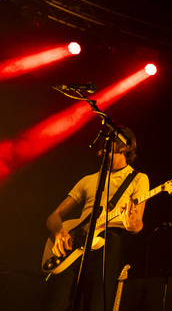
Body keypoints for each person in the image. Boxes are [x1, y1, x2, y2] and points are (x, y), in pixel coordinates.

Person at [44, 126, 149, 311]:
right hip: (75, 243)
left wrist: (131, 223)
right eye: (104, 144)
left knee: (98, 304)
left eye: (110, 144)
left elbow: (137, 224)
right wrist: (59, 232)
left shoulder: (138, 179)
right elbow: (54, 216)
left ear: (124, 148)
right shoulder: (88, 180)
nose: (103, 149)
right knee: (58, 303)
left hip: (109, 243)